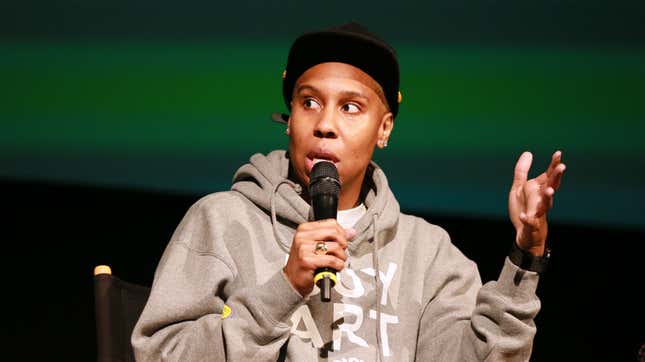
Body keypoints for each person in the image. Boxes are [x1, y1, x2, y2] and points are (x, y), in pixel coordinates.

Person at [132, 22, 566, 361]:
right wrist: (282, 288)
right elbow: (159, 355)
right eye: (309, 102)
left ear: (384, 128)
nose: (324, 123)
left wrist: (526, 256)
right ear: (290, 119)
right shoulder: (223, 222)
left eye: (350, 107)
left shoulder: (429, 254)